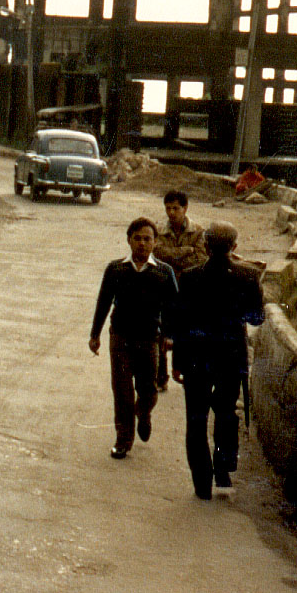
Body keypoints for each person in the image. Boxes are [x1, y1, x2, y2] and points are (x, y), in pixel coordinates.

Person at [172, 221, 265, 499]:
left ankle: (202, 484)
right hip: (230, 357)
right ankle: (223, 469)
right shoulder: (248, 276)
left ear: (205, 245)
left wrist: (177, 362)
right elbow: (256, 318)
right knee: (225, 413)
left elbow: (180, 323)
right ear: (234, 247)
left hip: (196, 358)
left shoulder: (188, 277)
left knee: (196, 420)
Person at [90, 218, 178, 459]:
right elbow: (103, 302)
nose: (141, 243)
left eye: (147, 239)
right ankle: (123, 439)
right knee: (122, 391)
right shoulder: (115, 269)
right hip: (120, 337)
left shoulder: (164, 272)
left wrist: (170, 336)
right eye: (137, 238)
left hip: (150, 338)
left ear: (155, 242)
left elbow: (173, 308)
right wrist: (95, 335)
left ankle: (144, 413)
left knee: (148, 391)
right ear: (128, 240)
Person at [152, 190, 208, 391]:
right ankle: (161, 377)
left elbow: (201, 261)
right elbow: (158, 256)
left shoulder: (199, 232)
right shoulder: (158, 231)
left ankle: (187, 373)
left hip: (189, 291)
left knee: (186, 334)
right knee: (161, 331)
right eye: (168, 208)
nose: (171, 212)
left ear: (185, 208)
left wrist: (173, 260)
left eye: (176, 208)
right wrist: (185, 251)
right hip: (164, 289)